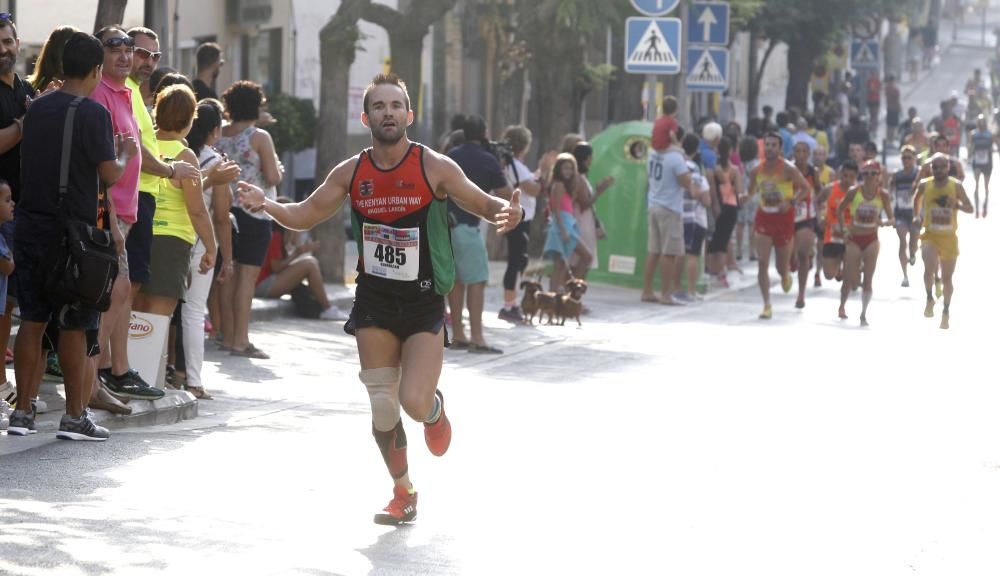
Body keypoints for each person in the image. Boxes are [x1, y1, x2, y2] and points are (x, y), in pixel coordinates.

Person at [236, 72, 522, 525]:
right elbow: (305, 212)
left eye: (395, 105)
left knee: (411, 400)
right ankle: (403, 492)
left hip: (425, 300)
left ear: (409, 115)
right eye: (379, 106)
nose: (387, 112)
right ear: (365, 115)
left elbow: (483, 202)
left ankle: (434, 410)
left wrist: (509, 211)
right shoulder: (351, 172)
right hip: (373, 301)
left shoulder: (434, 166)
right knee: (383, 404)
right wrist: (265, 204)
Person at [8, 31, 138, 439]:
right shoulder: (93, 113)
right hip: (75, 234)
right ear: (96, 70)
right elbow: (108, 173)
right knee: (74, 324)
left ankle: (23, 413)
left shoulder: (38, 107)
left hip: (31, 224)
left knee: (32, 319)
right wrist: (124, 152)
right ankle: (74, 415)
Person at [89, 26, 165, 401]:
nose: (124, 55)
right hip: (108, 210)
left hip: (127, 211)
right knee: (113, 291)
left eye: (128, 49)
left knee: (119, 292)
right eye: (114, 47)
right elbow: (105, 163)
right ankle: (92, 380)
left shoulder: (124, 92)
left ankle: (102, 373)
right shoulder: (99, 93)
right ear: (98, 53)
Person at [175, 98, 239, 399]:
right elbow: (222, 217)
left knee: (166, 308)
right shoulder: (216, 164)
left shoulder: (175, 153)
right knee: (194, 311)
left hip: (171, 236)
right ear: (214, 130)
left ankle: (170, 372)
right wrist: (227, 257)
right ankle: (194, 380)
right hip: (202, 243)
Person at [216, 80, 282, 359]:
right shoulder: (259, 137)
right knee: (247, 279)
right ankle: (241, 341)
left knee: (228, 276)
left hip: (225, 212)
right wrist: (279, 167)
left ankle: (227, 336)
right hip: (255, 212)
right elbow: (272, 176)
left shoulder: (219, 134)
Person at [446, 115, 511, 353]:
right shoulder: (487, 159)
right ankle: (477, 337)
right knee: (476, 280)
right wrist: (500, 168)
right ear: (484, 133)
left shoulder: (450, 157)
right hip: (467, 227)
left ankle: (458, 335)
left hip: (445, 226)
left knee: (455, 280)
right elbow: (507, 194)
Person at [0, 14, 35, 406]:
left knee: (12, 306)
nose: (3, 51)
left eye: (8, 42)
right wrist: (27, 124)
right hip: (3, 216)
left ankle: (9, 387)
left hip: (25, 210)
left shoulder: (25, 87)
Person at [746, 132, 810, 319]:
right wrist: (742, 197)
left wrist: (791, 202)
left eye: (774, 145)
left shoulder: (788, 169)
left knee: (781, 266)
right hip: (764, 217)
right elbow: (750, 192)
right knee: (762, 262)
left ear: (780, 149)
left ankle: (785, 275)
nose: (770, 148)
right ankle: (766, 305)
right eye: (767, 145)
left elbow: (805, 188)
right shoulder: (756, 170)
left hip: (784, 219)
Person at [255, 198, 347, 321]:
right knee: (310, 263)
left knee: (308, 267)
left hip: (267, 282)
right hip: (263, 285)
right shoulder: (275, 236)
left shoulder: (280, 236)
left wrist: (296, 247)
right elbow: (276, 267)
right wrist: (298, 253)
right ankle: (328, 308)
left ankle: (323, 308)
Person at [912, 153, 974, 329]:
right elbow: (916, 198)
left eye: (942, 167)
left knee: (947, 279)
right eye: (935, 167)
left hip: (949, 238)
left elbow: (970, 208)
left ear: (948, 167)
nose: (938, 170)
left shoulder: (956, 186)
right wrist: (916, 216)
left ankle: (946, 310)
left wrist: (957, 205)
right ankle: (929, 298)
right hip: (930, 234)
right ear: (931, 168)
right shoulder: (925, 184)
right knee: (928, 268)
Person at [837, 160, 892, 326]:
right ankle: (842, 306)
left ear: (878, 176)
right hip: (854, 238)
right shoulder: (854, 192)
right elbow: (840, 210)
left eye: (873, 173)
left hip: (871, 240)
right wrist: (844, 230)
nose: (869, 177)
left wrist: (884, 222)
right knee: (849, 277)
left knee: (868, 279)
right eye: (866, 173)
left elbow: (891, 218)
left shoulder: (883, 195)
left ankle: (863, 313)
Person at [497, 125, 543, 323]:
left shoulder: (511, 165)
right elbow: (532, 189)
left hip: (519, 215)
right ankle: (509, 305)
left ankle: (512, 302)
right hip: (520, 217)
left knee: (519, 260)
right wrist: (546, 173)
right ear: (524, 145)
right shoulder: (515, 165)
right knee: (516, 261)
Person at [642, 127, 690, 305]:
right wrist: (680, 151)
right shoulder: (675, 157)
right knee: (669, 253)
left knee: (653, 250)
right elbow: (686, 181)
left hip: (653, 203)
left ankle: (647, 290)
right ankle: (665, 294)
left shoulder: (653, 153)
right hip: (670, 207)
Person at [544, 154, 591, 292]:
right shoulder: (558, 185)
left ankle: (559, 291)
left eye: (571, 169)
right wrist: (563, 230)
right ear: (558, 169)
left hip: (568, 223)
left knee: (562, 263)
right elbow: (556, 210)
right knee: (561, 263)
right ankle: (555, 293)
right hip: (562, 225)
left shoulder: (566, 186)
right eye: (565, 168)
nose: (568, 172)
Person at [570, 142, 613, 280]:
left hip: (585, 221)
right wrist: (599, 191)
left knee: (580, 260)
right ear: (586, 158)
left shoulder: (581, 178)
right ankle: (573, 292)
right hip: (581, 222)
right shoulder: (579, 178)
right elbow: (584, 204)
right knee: (582, 260)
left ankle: (575, 293)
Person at [676, 134, 711, 302]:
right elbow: (696, 193)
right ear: (696, 149)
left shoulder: (678, 164)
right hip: (692, 215)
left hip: (676, 212)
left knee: (677, 252)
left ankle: (675, 288)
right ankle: (690, 290)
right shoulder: (694, 169)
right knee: (692, 255)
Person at [707, 137, 741, 286]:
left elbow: (711, 190)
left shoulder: (712, 169)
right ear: (731, 151)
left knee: (713, 240)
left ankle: (710, 270)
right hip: (731, 206)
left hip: (717, 207)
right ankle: (721, 272)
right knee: (724, 241)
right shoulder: (734, 170)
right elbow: (739, 191)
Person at [791, 141, 820, 309]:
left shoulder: (812, 171)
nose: (800, 155)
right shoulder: (787, 170)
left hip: (806, 218)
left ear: (808, 154)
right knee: (790, 259)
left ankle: (801, 294)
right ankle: (793, 260)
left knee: (802, 255)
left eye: (804, 152)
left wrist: (820, 210)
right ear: (793, 153)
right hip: (788, 217)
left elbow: (818, 190)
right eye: (797, 151)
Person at [819, 160, 857, 286]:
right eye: (845, 176)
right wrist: (821, 217)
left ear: (856, 177)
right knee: (828, 275)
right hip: (832, 235)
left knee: (852, 278)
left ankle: (854, 267)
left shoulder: (858, 192)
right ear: (840, 174)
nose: (847, 180)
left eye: (851, 177)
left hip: (850, 236)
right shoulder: (830, 189)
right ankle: (839, 265)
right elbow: (818, 201)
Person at [889, 146, 921, 287]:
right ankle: (905, 276)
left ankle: (913, 253)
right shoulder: (897, 174)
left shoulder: (919, 173)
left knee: (913, 243)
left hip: (915, 213)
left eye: (909, 157)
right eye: (903, 158)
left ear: (914, 159)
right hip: (901, 213)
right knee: (902, 241)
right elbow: (890, 189)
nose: (906, 160)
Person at [968, 114, 994, 218]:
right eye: (980, 121)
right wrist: (969, 156)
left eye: (983, 121)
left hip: (987, 162)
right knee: (976, 184)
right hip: (977, 161)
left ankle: (985, 206)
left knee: (986, 185)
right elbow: (970, 146)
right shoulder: (973, 134)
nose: (982, 123)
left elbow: (993, 145)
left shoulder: (989, 134)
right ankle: (976, 209)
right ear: (977, 123)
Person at [885, 74, 902, 146]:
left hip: (889, 108)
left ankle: (888, 140)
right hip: (894, 109)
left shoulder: (887, 88)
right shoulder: (895, 89)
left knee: (889, 125)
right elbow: (897, 100)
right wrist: (900, 109)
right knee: (893, 126)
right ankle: (891, 141)